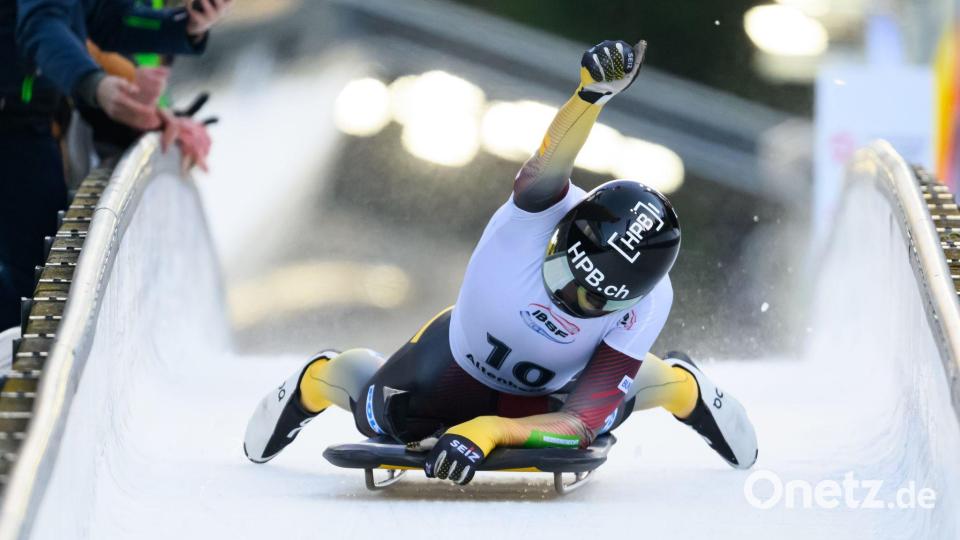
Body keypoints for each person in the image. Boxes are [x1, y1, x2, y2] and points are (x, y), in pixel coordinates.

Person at [244, 39, 759, 485]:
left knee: (600, 421)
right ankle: (323, 373)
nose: (576, 301)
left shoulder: (651, 301)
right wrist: (590, 97)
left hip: (556, 390)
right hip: (455, 357)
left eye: (597, 300)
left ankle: (680, 385)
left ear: (633, 296)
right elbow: (552, 156)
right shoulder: (537, 211)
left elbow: (580, 420)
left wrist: (487, 431)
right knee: (381, 419)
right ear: (561, 235)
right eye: (573, 280)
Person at [0, 0, 230, 329]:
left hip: (27, 119)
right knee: (36, 280)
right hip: (14, 119)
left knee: (40, 273)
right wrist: (96, 85)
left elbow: (107, 20)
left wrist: (183, 25)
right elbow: (40, 26)